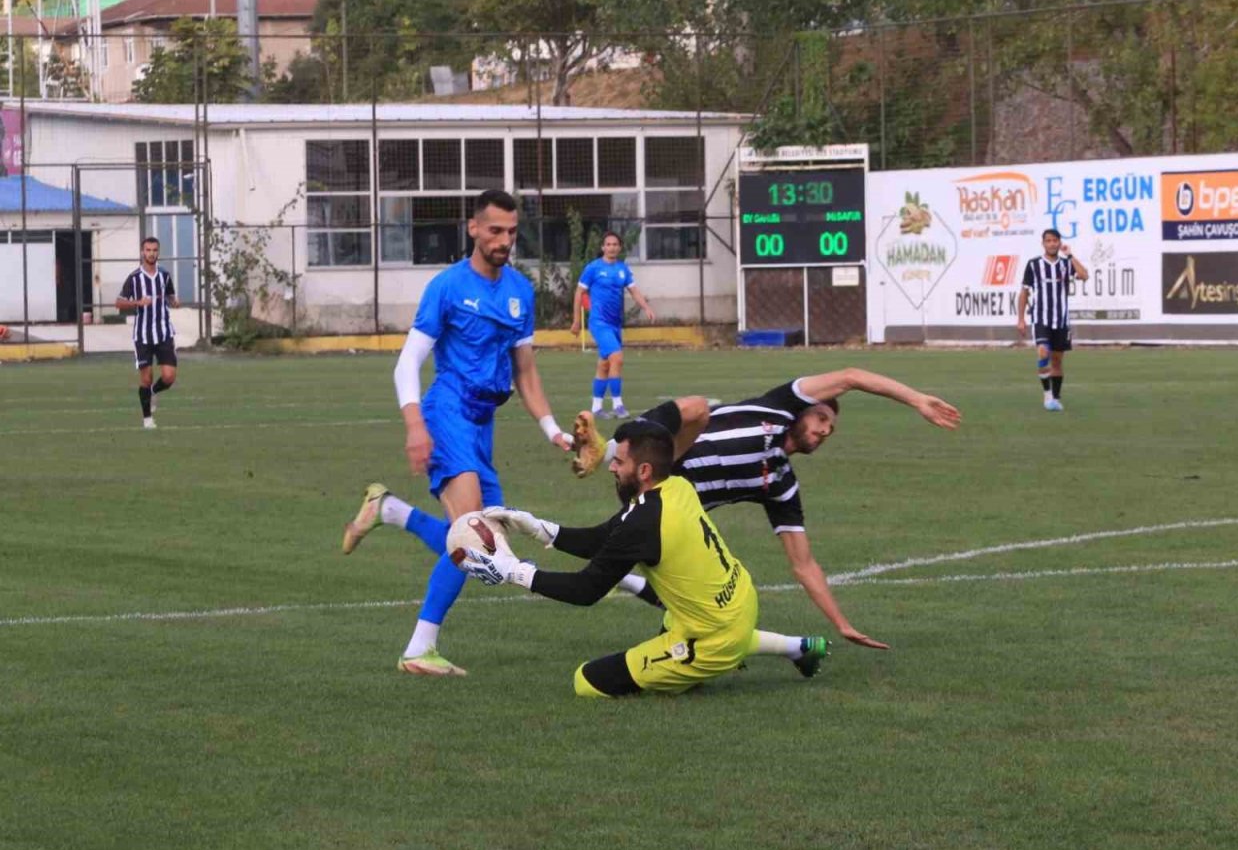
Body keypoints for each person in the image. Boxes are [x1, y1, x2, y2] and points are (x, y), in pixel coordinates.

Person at [342, 189, 573, 677]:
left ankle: (389, 510)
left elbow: (526, 373)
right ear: (473, 228)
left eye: (512, 232)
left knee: (482, 537)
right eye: (495, 231)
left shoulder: (519, 293)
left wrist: (554, 430)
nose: (504, 240)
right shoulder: (447, 287)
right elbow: (408, 364)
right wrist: (414, 427)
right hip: (447, 410)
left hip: (484, 422)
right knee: (473, 530)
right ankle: (418, 650)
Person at [572, 367, 963, 650]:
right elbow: (851, 377)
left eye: (831, 429)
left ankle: (637, 595)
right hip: (657, 456)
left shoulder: (780, 485)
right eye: (822, 417)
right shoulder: (778, 407)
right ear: (804, 407)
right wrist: (916, 399)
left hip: (662, 503)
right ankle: (609, 448)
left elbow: (803, 563)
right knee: (696, 408)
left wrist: (842, 624)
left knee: (693, 592)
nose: (825, 429)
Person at [458, 420, 828, 696]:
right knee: (679, 616)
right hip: (739, 600)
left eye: (619, 461)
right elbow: (605, 537)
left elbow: (585, 590)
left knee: (586, 681)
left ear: (644, 471)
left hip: (713, 636)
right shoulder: (676, 487)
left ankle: (704, 665)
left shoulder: (644, 522)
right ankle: (797, 648)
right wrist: (540, 529)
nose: (613, 467)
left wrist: (514, 572)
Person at [569, 231, 655, 419]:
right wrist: (576, 320)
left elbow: (634, 291)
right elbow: (579, 294)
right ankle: (618, 405)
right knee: (617, 357)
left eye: (615, 244)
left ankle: (596, 408)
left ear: (620, 247)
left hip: (615, 324)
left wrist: (646, 307)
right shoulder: (593, 268)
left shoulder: (623, 269)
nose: (612, 247)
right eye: (608, 244)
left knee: (605, 365)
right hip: (599, 322)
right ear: (603, 248)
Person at [1016, 228, 1089, 412]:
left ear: (1059, 242)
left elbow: (1084, 275)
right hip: (1041, 319)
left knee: (1057, 361)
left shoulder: (1066, 263)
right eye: (1048, 241)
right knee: (1042, 352)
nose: (1052, 244)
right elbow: (1024, 292)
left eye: (1055, 240)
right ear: (1043, 244)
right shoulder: (1033, 265)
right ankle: (1047, 395)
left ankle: (1055, 397)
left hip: (1061, 321)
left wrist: (1070, 254)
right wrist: (1021, 318)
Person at [115, 237, 178, 429]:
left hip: (164, 333)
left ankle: (153, 392)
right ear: (142, 252)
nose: (151, 253)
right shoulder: (134, 278)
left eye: (154, 250)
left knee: (169, 377)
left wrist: (174, 301)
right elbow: (118, 303)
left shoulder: (165, 276)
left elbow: (170, 295)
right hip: (143, 336)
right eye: (148, 250)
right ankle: (147, 419)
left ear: (158, 252)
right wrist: (137, 302)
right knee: (146, 377)